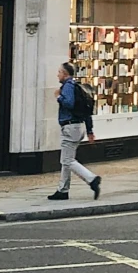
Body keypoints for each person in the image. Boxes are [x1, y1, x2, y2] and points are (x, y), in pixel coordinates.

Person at [48, 62, 101, 202]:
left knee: (67, 160)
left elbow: (69, 103)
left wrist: (58, 97)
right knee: (66, 161)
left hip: (70, 127)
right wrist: (90, 131)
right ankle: (62, 190)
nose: (57, 74)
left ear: (65, 74)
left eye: (59, 72)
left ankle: (92, 179)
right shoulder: (77, 86)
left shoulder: (68, 86)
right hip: (78, 127)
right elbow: (87, 112)